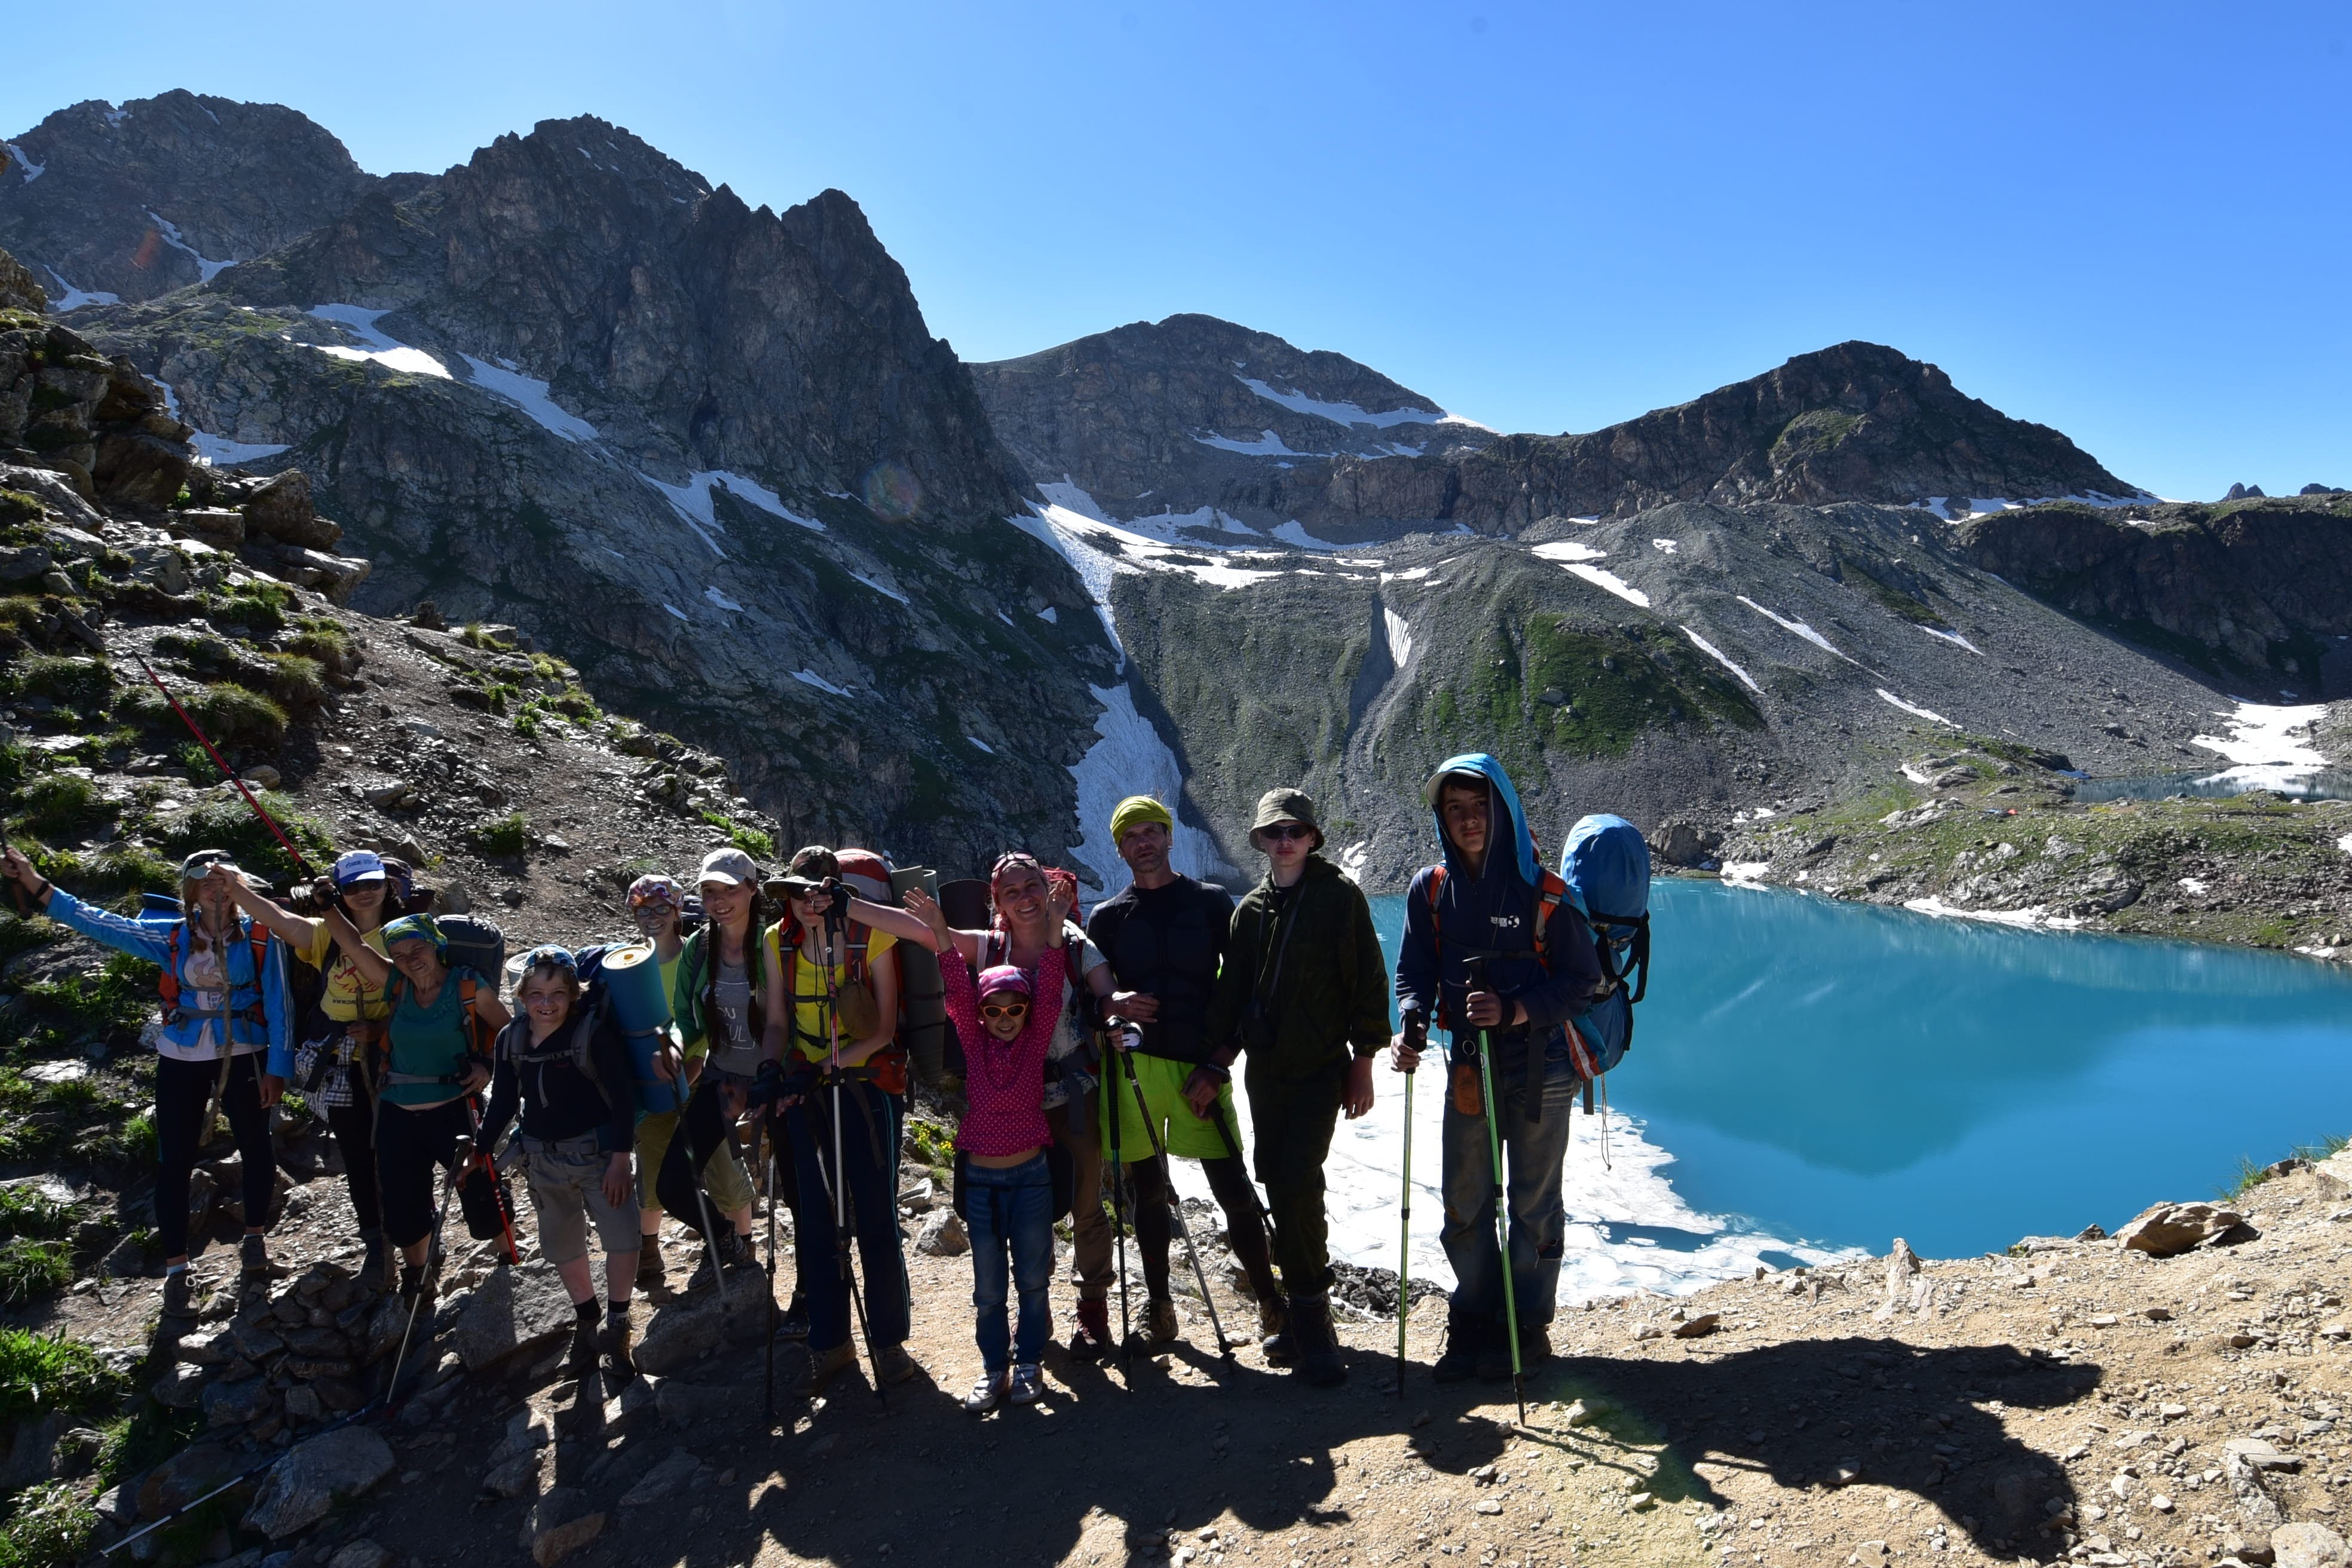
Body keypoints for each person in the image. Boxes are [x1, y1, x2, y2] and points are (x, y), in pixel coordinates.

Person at [1389, 755, 1607, 1383]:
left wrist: (1513, 1009)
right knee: (1465, 1199)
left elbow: (1581, 981)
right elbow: (1415, 970)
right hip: (1466, 1065)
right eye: (1454, 809)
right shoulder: (1431, 890)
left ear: (1502, 809)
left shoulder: (1546, 894)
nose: (1467, 820)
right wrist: (1411, 1017)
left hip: (1541, 1065)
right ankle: (1474, 1322)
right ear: (1441, 819)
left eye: (1478, 806)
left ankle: (1526, 1328)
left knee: (1534, 1203)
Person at [2, 847, 293, 1316]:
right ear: (191, 892)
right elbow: (96, 921)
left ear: (240, 887)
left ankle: (255, 1240)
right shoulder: (172, 937)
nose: (217, 889)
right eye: (206, 882)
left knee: (257, 1146)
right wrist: (37, 884)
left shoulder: (263, 937)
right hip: (179, 1055)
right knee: (174, 1159)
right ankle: (178, 1271)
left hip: (246, 1053)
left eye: (226, 880)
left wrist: (280, 1068)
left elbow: (281, 1004)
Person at [1199, 788, 1386, 1386]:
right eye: (1273, 832)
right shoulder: (1250, 911)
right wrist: (1215, 1061)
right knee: (1279, 1177)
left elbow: (1368, 978)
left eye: (1295, 831)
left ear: (1312, 837)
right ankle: (1305, 1309)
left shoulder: (1339, 898)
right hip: (1266, 1072)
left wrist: (1364, 1059)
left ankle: (1312, 1317)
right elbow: (1234, 994)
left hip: (1320, 1069)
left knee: (1295, 1176)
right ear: (1260, 840)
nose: (1285, 841)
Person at [1083, 795, 1283, 1350]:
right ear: (1119, 848)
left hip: (1201, 1065)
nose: (1143, 843)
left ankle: (1270, 1299)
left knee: (1232, 1189)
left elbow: (1244, 988)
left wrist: (1220, 1063)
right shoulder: (1107, 917)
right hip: (1136, 1068)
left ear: (1170, 838)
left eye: (1152, 832)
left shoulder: (1212, 903)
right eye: (1131, 836)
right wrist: (1111, 1005)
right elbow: (1088, 998)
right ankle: (1160, 1308)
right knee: (1147, 1192)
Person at [213, 849, 407, 1292]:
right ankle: (377, 1244)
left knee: (399, 1152)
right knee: (358, 1156)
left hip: (395, 1056)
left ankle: (411, 1234)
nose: (365, 893)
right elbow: (279, 919)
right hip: (341, 1059)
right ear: (340, 892)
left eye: (372, 883)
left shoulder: (407, 933)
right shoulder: (324, 935)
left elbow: (418, 990)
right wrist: (236, 889)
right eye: (353, 887)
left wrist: (379, 1028)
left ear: (386, 885)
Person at [762, 846, 916, 1396]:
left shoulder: (871, 936)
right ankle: (830, 1342)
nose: (807, 901)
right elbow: (778, 1022)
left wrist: (825, 1068)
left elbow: (882, 1030)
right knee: (818, 1222)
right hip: (807, 1089)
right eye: (797, 891)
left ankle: (888, 1343)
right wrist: (770, 1069)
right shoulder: (777, 941)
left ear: (836, 890)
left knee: (875, 1217)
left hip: (865, 1088)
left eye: (818, 890)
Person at [908, 884, 1065, 1411]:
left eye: (1014, 1007)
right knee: (989, 1288)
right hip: (981, 1182)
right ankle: (994, 1369)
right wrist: (937, 930)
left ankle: (1028, 1364)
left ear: (1027, 1009)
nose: (1003, 1016)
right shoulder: (972, 1042)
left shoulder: (1037, 1036)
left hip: (1031, 1179)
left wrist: (1057, 925)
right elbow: (955, 984)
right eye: (992, 1008)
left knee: (1032, 1278)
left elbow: (1053, 984)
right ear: (978, 1013)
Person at [476, 945, 641, 1383]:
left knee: (623, 1239)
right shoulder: (510, 1038)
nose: (546, 1003)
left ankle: (618, 1324)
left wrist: (621, 1158)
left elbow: (625, 1099)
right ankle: (588, 1320)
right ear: (522, 995)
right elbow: (505, 1102)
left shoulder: (593, 1035)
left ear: (573, 995)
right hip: (543, 1158)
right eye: (536, 994)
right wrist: (480, 1149)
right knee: (562, 1245)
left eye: (557, 994)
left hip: (600, 1156)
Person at [326, 910, 510, 1301]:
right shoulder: (397, 984)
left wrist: (488, 1067)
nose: (411, 959)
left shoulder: (468, 988)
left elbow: (509, 1034)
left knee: (479, 1186)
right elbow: (353, 944)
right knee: (403, 1197)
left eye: (418, 948)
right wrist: (327, 906)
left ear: (436, 945)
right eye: (399, 953)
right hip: (397, 1112)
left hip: (454, 1107)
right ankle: (418, 1276)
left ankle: (508, 1258)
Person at [665, 850, 766, 1277]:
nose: (719, 900)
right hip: (721, 1077)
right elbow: (684, 1019)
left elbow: (790, 1019)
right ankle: (727, 1239)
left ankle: (807, 1295)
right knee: (672, 1183)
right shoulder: (699, 945)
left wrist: (777, 1080)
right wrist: (674, 1047)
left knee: (799, 1193)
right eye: (710, 891)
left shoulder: (772, 941)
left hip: (771, 1081)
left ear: (752, 890)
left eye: (731, 889)